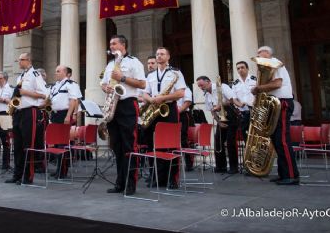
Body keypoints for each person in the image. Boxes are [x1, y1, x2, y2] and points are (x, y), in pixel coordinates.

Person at [100, 35, 146, 195]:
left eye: (114, 43)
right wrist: (105, 87)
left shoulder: (134, 62)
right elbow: (105, 83)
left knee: (129, 145)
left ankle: (131, 183)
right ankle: (119, 182)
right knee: (117, 147)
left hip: (127, 105)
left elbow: (142, 83)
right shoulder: (110, 64)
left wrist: (123, 78)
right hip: (113, 105)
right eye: (110, 43)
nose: (111, 46)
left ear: (123, 45)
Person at [251, 46, 299, 185]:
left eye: (260, 54)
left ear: (267, 54)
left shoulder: (274, 63)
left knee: (283, 139)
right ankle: (284, 173)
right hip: (275, 103)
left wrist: (258, 88)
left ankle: (291, 175)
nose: (258, 57)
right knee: (277, 139)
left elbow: (277, 84)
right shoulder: (269, 65)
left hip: (282, 103)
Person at [140, 47, 186, 187]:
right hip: (154, 109)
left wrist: (163, 98)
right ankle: (157, 177)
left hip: (168, 109)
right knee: (153, 145)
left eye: (162, 54)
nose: (159, 56)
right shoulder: (151, 75)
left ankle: (172, 179)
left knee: (170, 144)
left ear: (168, 56)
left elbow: (180, 94)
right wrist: (152, 100)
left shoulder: (176, 73)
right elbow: (144, 94)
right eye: (157, 54)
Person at [5, 52, 48, 185]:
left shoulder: (36, 75)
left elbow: (44, 94)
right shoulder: (21, 77)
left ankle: (28, 176)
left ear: (28, 60)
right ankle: (17, 174)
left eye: (21, 60)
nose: (19, 62)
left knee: (28, 145)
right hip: (18, 112)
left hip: (30, 112)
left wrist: (25, 92)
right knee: (17, 146)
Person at [197, 75, 239, 174]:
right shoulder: (207, 95)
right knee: (218, 142)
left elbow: (232, 100)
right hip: (221, 118)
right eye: (199, 86)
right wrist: (219, 122)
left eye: (202, 85)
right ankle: (221, 166)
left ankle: (234, 167)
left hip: (231, 115)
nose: (201, 88)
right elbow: (212, 111)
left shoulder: (222, 87)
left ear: (208, 82)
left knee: (230, 142)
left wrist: (220, 105)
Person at [48, 65, 82, 179]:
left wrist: (69, 115)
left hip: (64, 114)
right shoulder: (55, 86)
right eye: (56, 71)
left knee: (63, 144)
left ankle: (62, 171)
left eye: (58, 71)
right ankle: (58, 169)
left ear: (65, 73)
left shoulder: (71, 84)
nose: (56, 73)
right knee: (56, 143)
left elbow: (73, 100)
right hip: (55, 115)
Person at [231, 61, 256, 141]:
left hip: (256, 112)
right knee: (245, 135)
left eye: (242, 67)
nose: (240, 70)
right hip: (244, 113)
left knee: (256, 134)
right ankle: (248, 153)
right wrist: (239, 104)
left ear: (247, 68)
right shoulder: (235, 83)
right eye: (238, 68)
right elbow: (234, 99)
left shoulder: (255, 79)